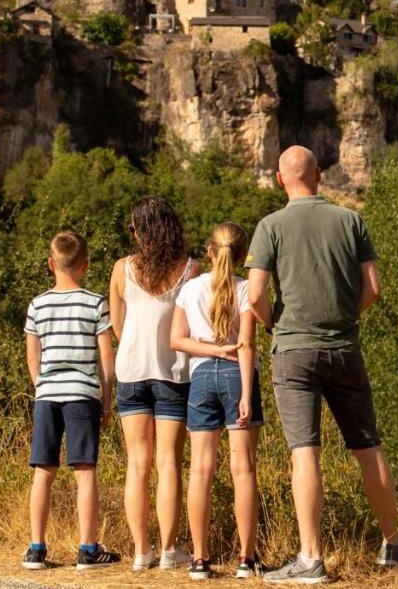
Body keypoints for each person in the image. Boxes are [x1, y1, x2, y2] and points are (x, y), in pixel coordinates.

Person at [248, 145, 398, 584]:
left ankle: (310, 558)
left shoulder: (270, 227)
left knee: (305, 452)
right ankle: (391, 544)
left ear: (281, 179)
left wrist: (274, 325)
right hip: (345, 347)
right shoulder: (350, 220)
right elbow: (372, 286)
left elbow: (256, 294)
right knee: (367, 444)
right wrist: (346, 316)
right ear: (318, 174)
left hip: (293, 351)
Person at [171, 222, 266, 580]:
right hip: (235, 375)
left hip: (200, 379)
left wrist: (211, 349)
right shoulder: (244, 290)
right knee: (243, 470)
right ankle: (247, 558)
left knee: (200, 470)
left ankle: (199, 558)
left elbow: (177, 340)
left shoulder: (190, 288)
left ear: (209, 252)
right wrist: (245, 393)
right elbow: (246, 344)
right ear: (242, 256)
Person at [22, 231, 122, 571]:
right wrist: (106, 399)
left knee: (43, 471)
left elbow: (32, 357)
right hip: (82, 394)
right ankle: (87, 549)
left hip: (47, 395)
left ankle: (36, 548)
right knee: (85, 472)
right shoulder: (95, 303)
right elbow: (106, 358)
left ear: (51, 264)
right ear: (86, 265)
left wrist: (42, 386)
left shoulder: (37, 304)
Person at [110, 196, 197, 572]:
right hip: (173, 373)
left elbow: (117, 326)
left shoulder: (120, 269)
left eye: (133, 227)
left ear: (142, 231)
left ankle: (140, 552)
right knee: (168, 464)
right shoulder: (191, 270)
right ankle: (169, 550)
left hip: (130, 371)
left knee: (137, 464)